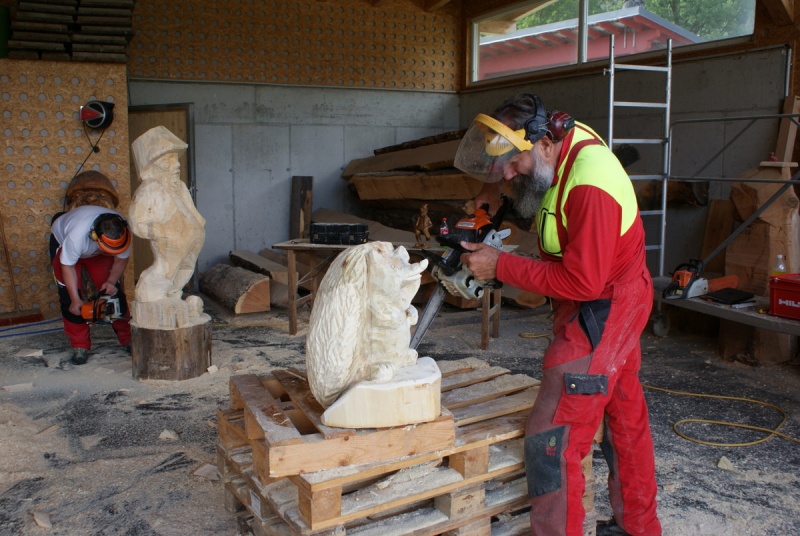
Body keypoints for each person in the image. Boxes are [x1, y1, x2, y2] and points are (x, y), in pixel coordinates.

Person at [454, 93, 661, 536]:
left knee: (552, 436)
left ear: (545, 143)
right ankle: (640, 527)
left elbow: (583, 282)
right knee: (625, 417)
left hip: (601, 308)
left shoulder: (590, 186)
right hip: (614, 299)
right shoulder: (559, 143)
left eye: (515, 163)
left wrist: (500, 266)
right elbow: (514, 174)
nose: (509, 173)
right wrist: (488, 202)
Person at [50, 204, 132, 365]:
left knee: (114, 295)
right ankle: (79, 345)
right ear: (94, 236)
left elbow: (121, 260)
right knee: (70, 300)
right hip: (66, 248)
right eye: (107, 250)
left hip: (95, 252)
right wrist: (75, 299)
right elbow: (68, 267)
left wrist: (110, 281)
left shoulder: (122, 232)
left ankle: (128, 339)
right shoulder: (76, 236)